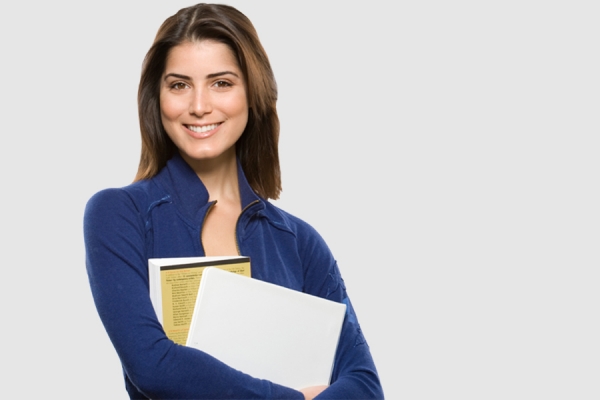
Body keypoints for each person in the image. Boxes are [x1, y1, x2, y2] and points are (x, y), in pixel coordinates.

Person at [83, 3, 384, 399]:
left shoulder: (298, 241)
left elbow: (363, 383)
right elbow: (152, 365)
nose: (199, 106)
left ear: (252, 93)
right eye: (179, 85)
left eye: (221, 83)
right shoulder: (120, 215)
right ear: (157, 99)